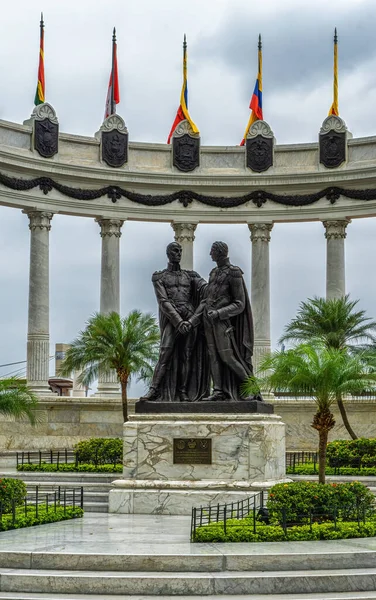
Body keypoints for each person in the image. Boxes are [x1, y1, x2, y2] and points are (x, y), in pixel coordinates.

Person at [140, 242, 209, 402]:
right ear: (168, 254)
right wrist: (179, 322)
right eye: (175, 251)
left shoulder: (191, 276)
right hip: (173, 319)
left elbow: (207, 290)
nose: (178, 254)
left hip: (190, 317)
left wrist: (191, 321)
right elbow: (163, 301)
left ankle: (183, 391)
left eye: (180, 251)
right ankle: (154, 389)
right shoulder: (159, 277)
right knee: (165, 353)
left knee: (187, 355)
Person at [200, 241, 261, 402]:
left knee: (228, 357)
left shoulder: (234, 273)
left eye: (212, 251)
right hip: (208, 321)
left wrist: (219, 313)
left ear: (219, 253)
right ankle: (218, 391)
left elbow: (239, 304)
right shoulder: (213, 273)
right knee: (213, 356)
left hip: (222, 323)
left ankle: (251, 389)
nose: (210, 254)